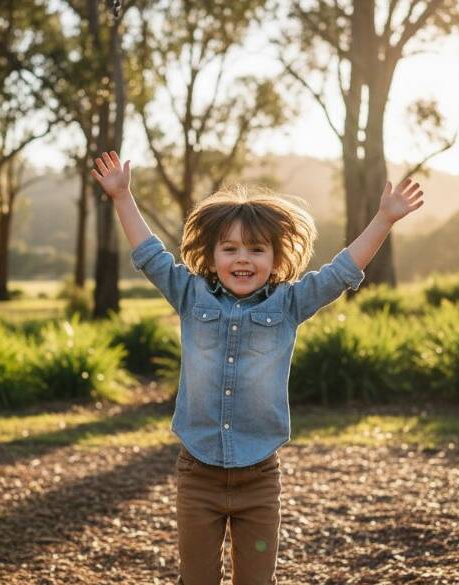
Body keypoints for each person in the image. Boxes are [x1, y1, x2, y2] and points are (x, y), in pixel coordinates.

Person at [91, 150, 424, 585]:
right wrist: (122, 196)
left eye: (256, 249)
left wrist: (383, 219)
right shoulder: (192, 297)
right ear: (210, 256)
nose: (242, 259)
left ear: (276, 257)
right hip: (198, 475)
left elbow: (341, 272)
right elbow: (151, 255)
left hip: (260, 476)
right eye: (229, 249)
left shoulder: (288, 304)